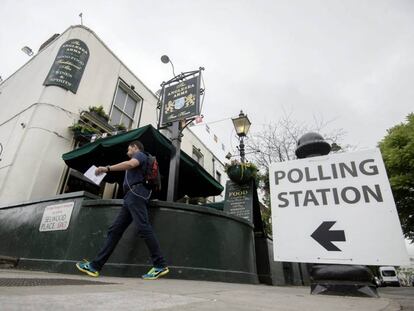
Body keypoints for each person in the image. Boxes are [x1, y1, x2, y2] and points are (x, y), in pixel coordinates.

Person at [76, 140, 169, 280]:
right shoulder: (139, 157)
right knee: (115, 230)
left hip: (136, 194)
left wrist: (106, 168)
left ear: (135, 147)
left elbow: (131, 164)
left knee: (143, 227)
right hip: (131, 196)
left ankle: (160, 265)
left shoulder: (140, 155)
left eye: (128, 149)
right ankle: (95, 266)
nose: (127, 151)